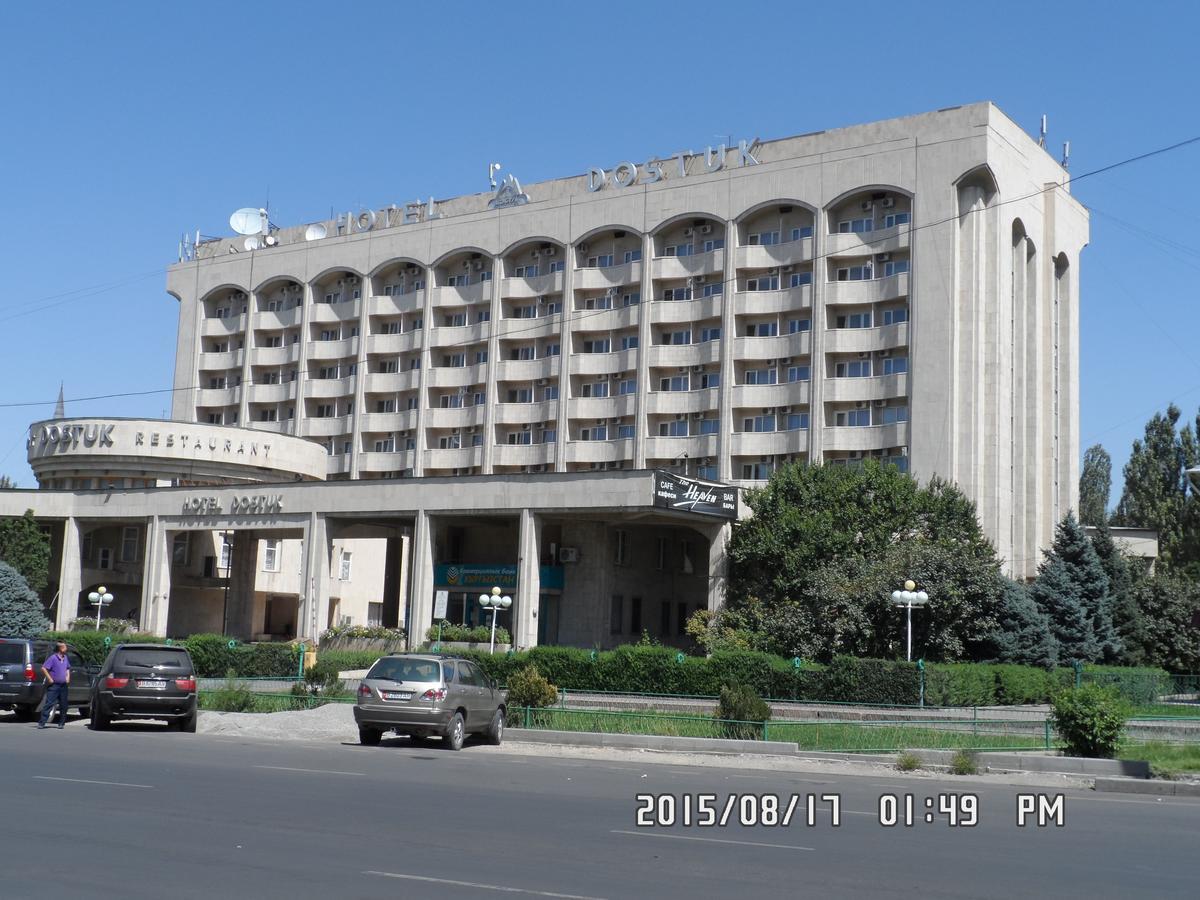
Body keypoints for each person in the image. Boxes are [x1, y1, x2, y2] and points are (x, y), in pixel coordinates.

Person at [38, 642, 71, 729]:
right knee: (49, 703)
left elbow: (67, 668)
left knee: (64, 704)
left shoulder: (65, 658)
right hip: (54, 685)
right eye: (64, 647)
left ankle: (61, 723)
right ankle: (42, 722)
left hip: (63, 685)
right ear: (60, 648)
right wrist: (49, 679)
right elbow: (44, 668)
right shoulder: (53, 658)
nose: (66, 648)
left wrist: (68, 677)